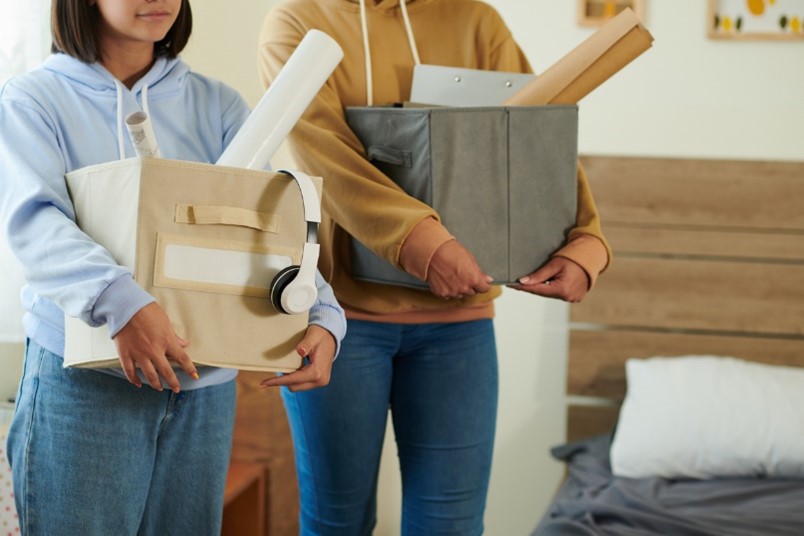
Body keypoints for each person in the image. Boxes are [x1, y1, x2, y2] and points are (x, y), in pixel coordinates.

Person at [258, 0, 611, 534]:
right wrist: (423, 243)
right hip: (334, 321)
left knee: (451, 525)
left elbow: (537, 132)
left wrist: (586, 241)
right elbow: (320, 151)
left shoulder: (477, 21)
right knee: (337, 523)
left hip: (457, 327)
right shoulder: (297, 20)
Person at [0, 0, 346, 534]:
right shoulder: (33, 100)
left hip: (202, 388)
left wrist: (322, 312)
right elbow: (36, 224)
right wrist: (123, 303)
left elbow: (268, 222)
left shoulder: (218, 105)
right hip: (86, 387)